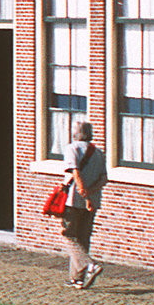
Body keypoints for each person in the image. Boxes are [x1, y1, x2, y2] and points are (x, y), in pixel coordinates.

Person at [60, 118, 108, 288]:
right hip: (93, 201)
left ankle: (90, 265)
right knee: (83, 237)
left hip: (74, 200)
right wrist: (91, 192)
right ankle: (77, 279)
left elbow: (76, 173)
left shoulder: (72, 149)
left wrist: (82, 191)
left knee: (69, 235)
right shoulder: (98, 152)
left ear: (75, 133)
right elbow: (104, 178)